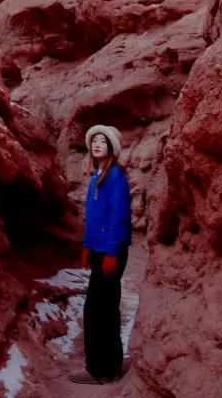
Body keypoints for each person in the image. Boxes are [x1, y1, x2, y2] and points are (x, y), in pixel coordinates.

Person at [68, 125, 132, 385]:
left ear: (111, 148)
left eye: (102, 141)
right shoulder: (96, 176)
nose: (96, 144)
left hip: (110, 251)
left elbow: (119, 216)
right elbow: (93, 217)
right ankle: (111, 365)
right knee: (103, 308)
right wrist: (86, 245)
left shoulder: (115, 175)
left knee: (97, 310)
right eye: (93, 140)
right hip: (99, 250)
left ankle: (97, 369)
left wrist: (111, 252)